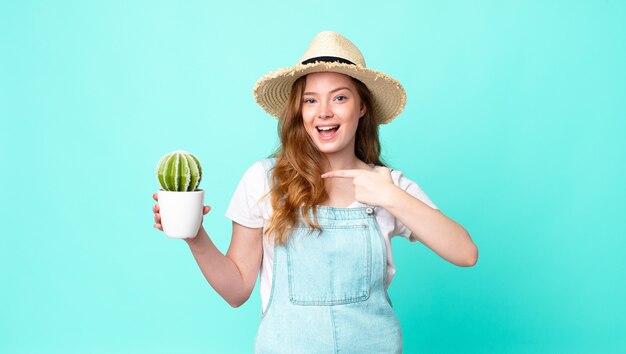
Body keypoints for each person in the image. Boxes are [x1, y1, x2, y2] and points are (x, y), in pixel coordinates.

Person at [152, 31, 478, 353]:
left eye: (339, 97)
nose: (323, 111)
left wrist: (392, 196)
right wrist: (195, 236)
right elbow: (236, 290)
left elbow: (465, 253)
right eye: (310, 100)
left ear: (362, 106)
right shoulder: (264, 180)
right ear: (299, 110)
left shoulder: (386, 186)